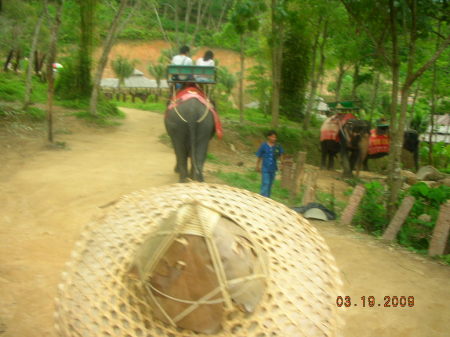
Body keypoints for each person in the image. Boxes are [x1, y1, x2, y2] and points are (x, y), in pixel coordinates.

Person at [256, 130, 284, 198]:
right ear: (268, 137)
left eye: (275, 137)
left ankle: (267, 199)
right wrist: (257, 165)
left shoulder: (278, 146)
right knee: (265, 183)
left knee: (270, 184)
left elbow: (281, 154)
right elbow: (259, 156)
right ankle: (262, 198)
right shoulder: (263, 146)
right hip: (265, 168)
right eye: (272, 137)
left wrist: (282, 164)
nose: (274, 139)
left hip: (273, 168)